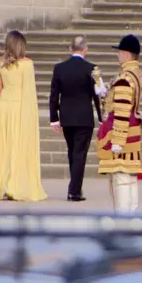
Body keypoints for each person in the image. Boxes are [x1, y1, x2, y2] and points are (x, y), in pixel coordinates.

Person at [0, 30, 47, 202]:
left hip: (3, 108)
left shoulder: (0, 63)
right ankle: (15, 186)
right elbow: (29, 92)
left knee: (4, 147)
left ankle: (1, 185)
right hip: (19, 108)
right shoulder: (27, 64)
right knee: (18, 147)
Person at [49, 35, 102, 202]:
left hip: (67, 116)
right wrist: (101, 117)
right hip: (84, 117)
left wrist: (54, 118)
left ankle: (76, 188)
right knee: (79, 153)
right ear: (85, 49)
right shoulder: (92, 68)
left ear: (71, 49)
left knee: (73, 152)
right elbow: (97, 96)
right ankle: (74, 191)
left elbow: (54, 95)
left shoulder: (59, 68)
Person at [97, 34, 142, 212]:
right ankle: (131, 219)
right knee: (130, 179)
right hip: (132, 133)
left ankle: (124, 222)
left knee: (121, 179)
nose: (118, 55)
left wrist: (117, 141)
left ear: (126, 54)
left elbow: (121, 113)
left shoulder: (125, 79)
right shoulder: (136, 74)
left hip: (123, 136)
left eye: (119, 52)